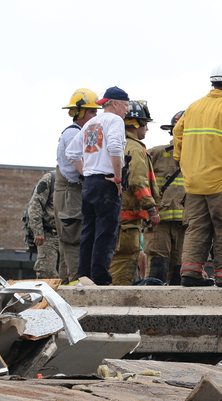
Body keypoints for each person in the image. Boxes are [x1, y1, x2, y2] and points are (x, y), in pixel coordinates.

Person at [174, 64, 222, 287]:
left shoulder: (194, 107)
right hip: (221, 181)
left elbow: (177, 135)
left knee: (196, 227)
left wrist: (182, 161)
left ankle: (190, 274)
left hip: (194, 183)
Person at [66, 86, 130, 285]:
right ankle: (100, 278)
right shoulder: (115, 120)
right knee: (106, 232)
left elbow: (72, 152)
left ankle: (84, 276)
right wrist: (118, 177)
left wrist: (86, 172)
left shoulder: (91, 122)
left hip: (90, 182)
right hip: (107, 181)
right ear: (115, 103)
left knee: (88, 231)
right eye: (126, 105)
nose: (127, 110)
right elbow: (114, 146)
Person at [111, 100, 160, 285]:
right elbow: (138, 182)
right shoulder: (136, 148)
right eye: (145, 124)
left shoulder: (115, 142)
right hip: (128, 222)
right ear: (136, 123)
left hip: (115, 217)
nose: (146, 129)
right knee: (123, 268)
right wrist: (152, 208)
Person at [54, 88, 99, 283]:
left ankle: (66, 286)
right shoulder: (74, 135)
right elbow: (82, 163)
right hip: (71, 192)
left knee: (68, 244)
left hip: (70, 192)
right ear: (79, 112)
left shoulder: (77, 133)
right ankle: (76, 285)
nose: (95, 115)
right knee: (74, 240)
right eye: (91, 112)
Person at [147, 110, 186, 284]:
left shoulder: (200, 160)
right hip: (159, 221)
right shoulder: (155, 154)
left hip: (186, 223)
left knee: (182, 267)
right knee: (158, 264)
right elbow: (141, 181)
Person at [21, 170, 60, 279]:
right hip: (49, 234)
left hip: (71, 235)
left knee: (71, 275)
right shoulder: (51, 178)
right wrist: (38, 231)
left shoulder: (81, 179)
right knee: (46, 272)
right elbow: (35, 205)